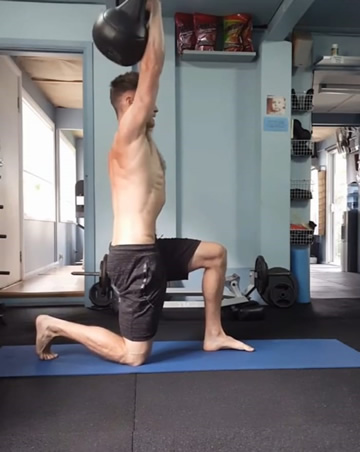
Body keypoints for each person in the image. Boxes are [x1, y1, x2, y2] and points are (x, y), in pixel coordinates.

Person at [35, 0, 254, 366]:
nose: (155, 109)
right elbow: (152, 67)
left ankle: (213, 334)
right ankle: (52, 324)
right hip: (135, 258)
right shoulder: (128, 135)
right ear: (130, 101)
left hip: (149, 250)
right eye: (149, 103)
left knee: (215, 254)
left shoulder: (144, 140)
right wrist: (155, 11)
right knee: (133, 354)